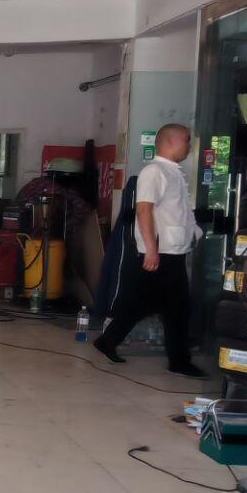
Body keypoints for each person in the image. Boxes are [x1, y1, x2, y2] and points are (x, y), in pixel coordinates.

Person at [93, 122, 205, 378]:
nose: (189, 146)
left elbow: (177, 213)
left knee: (153, 306)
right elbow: (144, 211)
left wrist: (194, 234)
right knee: (171, 308)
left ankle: (108, 341)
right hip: (159, 254)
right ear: (170, 142)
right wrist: (151, 250)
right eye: (186, 140)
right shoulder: (154, 172)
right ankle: (178, 361)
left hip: (173, 253)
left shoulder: (174, 173)